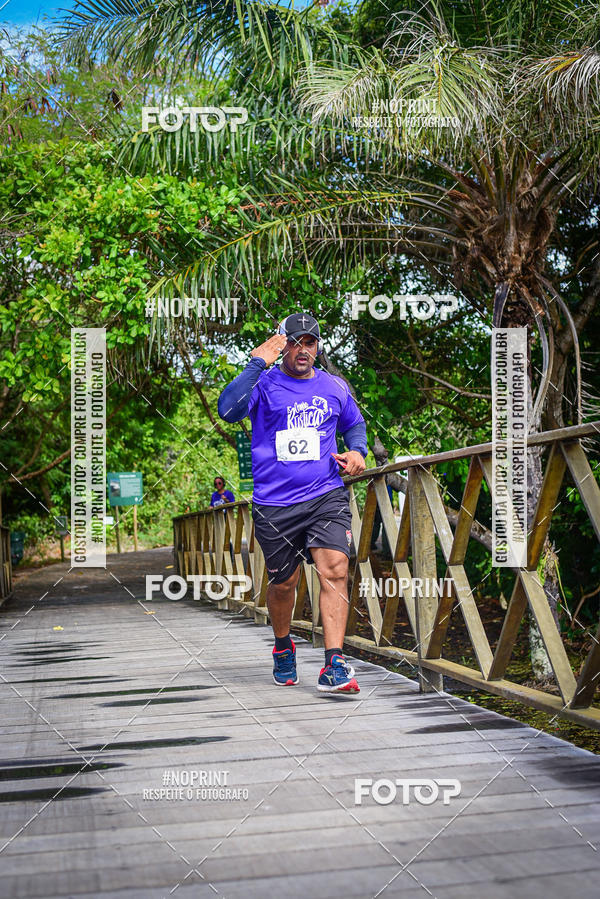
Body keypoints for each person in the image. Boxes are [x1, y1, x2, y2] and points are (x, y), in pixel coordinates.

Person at [217, 312, 368, 694]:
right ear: (281, 344)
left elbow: (354, 423)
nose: (303, 350)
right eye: (295, 342)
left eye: (310, 343)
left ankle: (334, 662)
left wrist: (358, 451)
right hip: (275, 504)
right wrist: (256, 363)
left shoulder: (334, 386)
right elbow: (228, 410)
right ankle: (283, 645)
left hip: (325, 495)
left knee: (334, 569)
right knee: (285, 583)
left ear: (318, 347)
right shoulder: (264, 383)